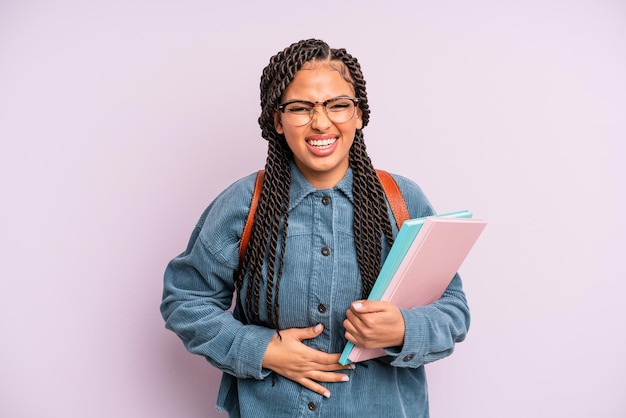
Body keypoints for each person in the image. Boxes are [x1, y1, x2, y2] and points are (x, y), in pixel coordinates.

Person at [160, 38, 470, 417]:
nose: (321, 122)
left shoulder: (402, 201)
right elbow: (185, 300)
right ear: (277, 120)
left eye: (338, 105)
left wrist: (404, 329)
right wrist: (262, 349)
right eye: (300, 108)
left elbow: (452, 311)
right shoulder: (244, 203)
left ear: (359, 114)